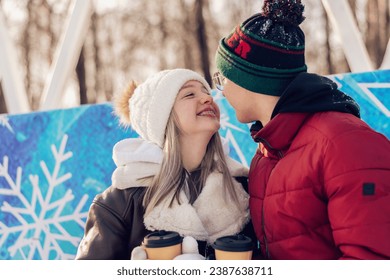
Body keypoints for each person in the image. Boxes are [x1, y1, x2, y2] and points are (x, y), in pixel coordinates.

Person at [213, 0, 390, 259]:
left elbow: (372, 261)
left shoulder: (344, 143)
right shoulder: (266, 153)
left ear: (250, 80)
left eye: (222, 77)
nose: (222, 89)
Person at [75, 68, 258, 260]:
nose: (208, 98)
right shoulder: (118, 203)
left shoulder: (243, 188)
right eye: (189, 94)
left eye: (207, 91)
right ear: (161, 118)